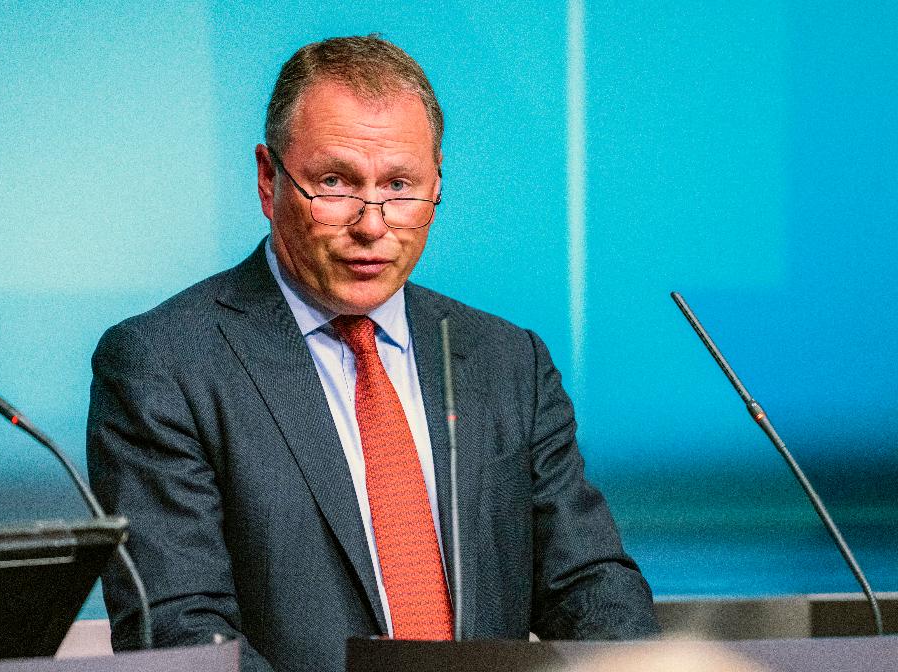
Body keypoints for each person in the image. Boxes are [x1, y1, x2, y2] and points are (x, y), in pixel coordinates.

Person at [87, 35, 659, 672]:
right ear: (268, 178)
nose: (372, 223)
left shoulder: (506, 361)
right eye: (335, 183)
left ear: (437, 181)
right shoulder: (165, 362)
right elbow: (179, 633)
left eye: (400, 185)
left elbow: (587, 585)